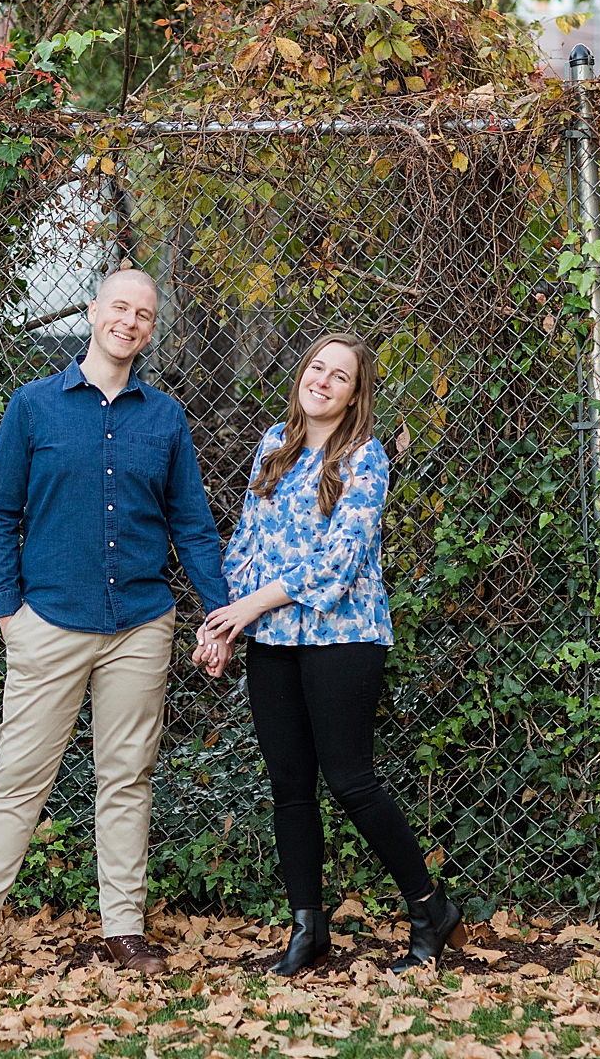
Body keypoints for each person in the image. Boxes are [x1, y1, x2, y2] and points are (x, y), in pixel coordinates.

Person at [0, 268, 233, 983]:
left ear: (152, 329)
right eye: (120, 306)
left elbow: (192, 523)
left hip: (140, 625)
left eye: (144, 314)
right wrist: (10, 614)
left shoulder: (165, 419)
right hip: (49, 623)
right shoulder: (33, 408)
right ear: (94, 312)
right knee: (19, 779)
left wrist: (216, 616)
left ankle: (124, 930)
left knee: (126, 779)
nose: (130, 321)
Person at [194, 332, 467, 976]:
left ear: (354, 395)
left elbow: (337, 566)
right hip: (274, 642)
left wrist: (250, 608)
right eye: (315, 367)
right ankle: (308, 929)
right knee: (290, 786)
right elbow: (245, 544)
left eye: (338, 376)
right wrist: (223, 628)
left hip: (343, 636)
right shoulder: (273, 446)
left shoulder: (365, 458)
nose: (321, 380)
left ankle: (431, 908)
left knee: (349, 781)